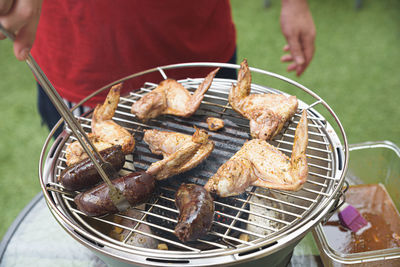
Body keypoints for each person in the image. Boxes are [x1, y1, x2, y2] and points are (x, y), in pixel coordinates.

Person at [0, 0, 315, 135]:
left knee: (221, 204)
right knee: (102, 217)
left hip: (196, 48)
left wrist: (294, 3)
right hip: (78, 64)